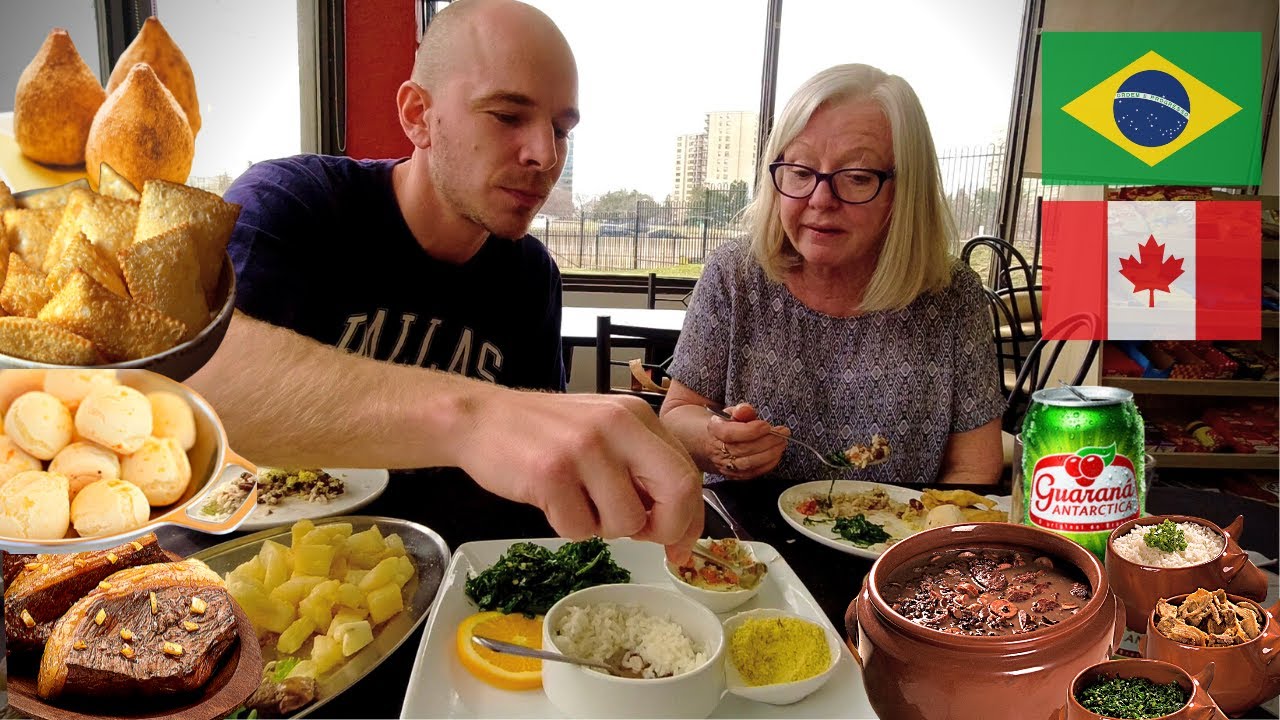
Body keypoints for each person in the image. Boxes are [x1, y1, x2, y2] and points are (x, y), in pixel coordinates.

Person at [186, 0, 701, 561]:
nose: (545, 155)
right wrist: (472, 420)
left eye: (560, 129)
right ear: (417, 114)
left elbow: (533, 482)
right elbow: (191, 379)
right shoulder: (294, 202)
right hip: (259, 579)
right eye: (507, 116)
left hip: (456, 590)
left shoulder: (530, 273)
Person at [658, 63, 1004, 486]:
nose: (820, 199)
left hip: (898, 544)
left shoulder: (953, 295)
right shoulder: (736, 274)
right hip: (746, 545)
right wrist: (717, 441)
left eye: (857, 178)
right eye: (801, 173)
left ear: (906, 191)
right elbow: (676, 415)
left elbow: (973, 468)